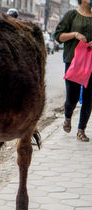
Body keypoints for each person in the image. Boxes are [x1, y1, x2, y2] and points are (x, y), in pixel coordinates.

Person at [54, 0, 92, 142]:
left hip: (91, 62)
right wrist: (75, 34)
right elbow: (58, 36)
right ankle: (67, 117)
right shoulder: (71, 15)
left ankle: (81, 130)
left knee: (89, 98)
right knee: (72, 98)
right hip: (73, 62)